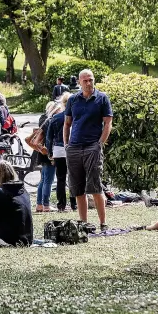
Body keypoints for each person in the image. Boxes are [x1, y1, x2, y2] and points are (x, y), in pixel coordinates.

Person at [63, 68, 113, 229]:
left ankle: (103, 223)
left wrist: (99, 144)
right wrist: (66, 144)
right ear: (79, 82)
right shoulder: (73, 100)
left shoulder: (102, 98)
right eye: (85, 80)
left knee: (95, 186)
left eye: (91, 79)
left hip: (93, 146)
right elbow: (67, 123)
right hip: (74, 147)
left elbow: (108, 123)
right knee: (78, 188)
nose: (88, 83)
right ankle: (83, 223)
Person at [46, 92, 76, 212]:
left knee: (60, 179)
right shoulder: (76, 117)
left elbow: (49, 138)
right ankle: (74, 203)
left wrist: (49, 152)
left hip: (58, 150)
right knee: (73, 178)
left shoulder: (56, 118)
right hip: (73, 149)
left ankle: (61, 205)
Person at [36, 101, 62, 212]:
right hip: (49, 152)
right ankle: (46, 205)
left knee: (43, 179)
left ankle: (39, 204)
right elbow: (50, 139)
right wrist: (51, 155)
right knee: (49, 180)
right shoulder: (52, 121)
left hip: (42, 152)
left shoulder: (43, 120)